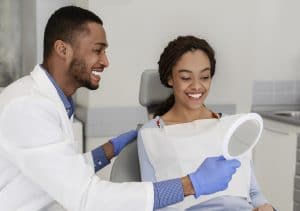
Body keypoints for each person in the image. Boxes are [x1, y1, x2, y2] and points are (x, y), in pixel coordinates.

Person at [0, 6, 241, 211]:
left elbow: (59, 171)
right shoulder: (28, 107)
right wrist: (190, 184)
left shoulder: (52, 101)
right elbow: (86, 196)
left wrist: (107, 151)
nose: (106, 61)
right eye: (97, 50)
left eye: (205, 76)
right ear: (63, 50)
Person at [138, 35, 275, 210]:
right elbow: (152, 201)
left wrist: (265, 206)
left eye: (204, 77)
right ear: (170, 78)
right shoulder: (152, 133)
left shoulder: (232, 126)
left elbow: (254, 193)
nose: (197, 86)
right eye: (186, 78)